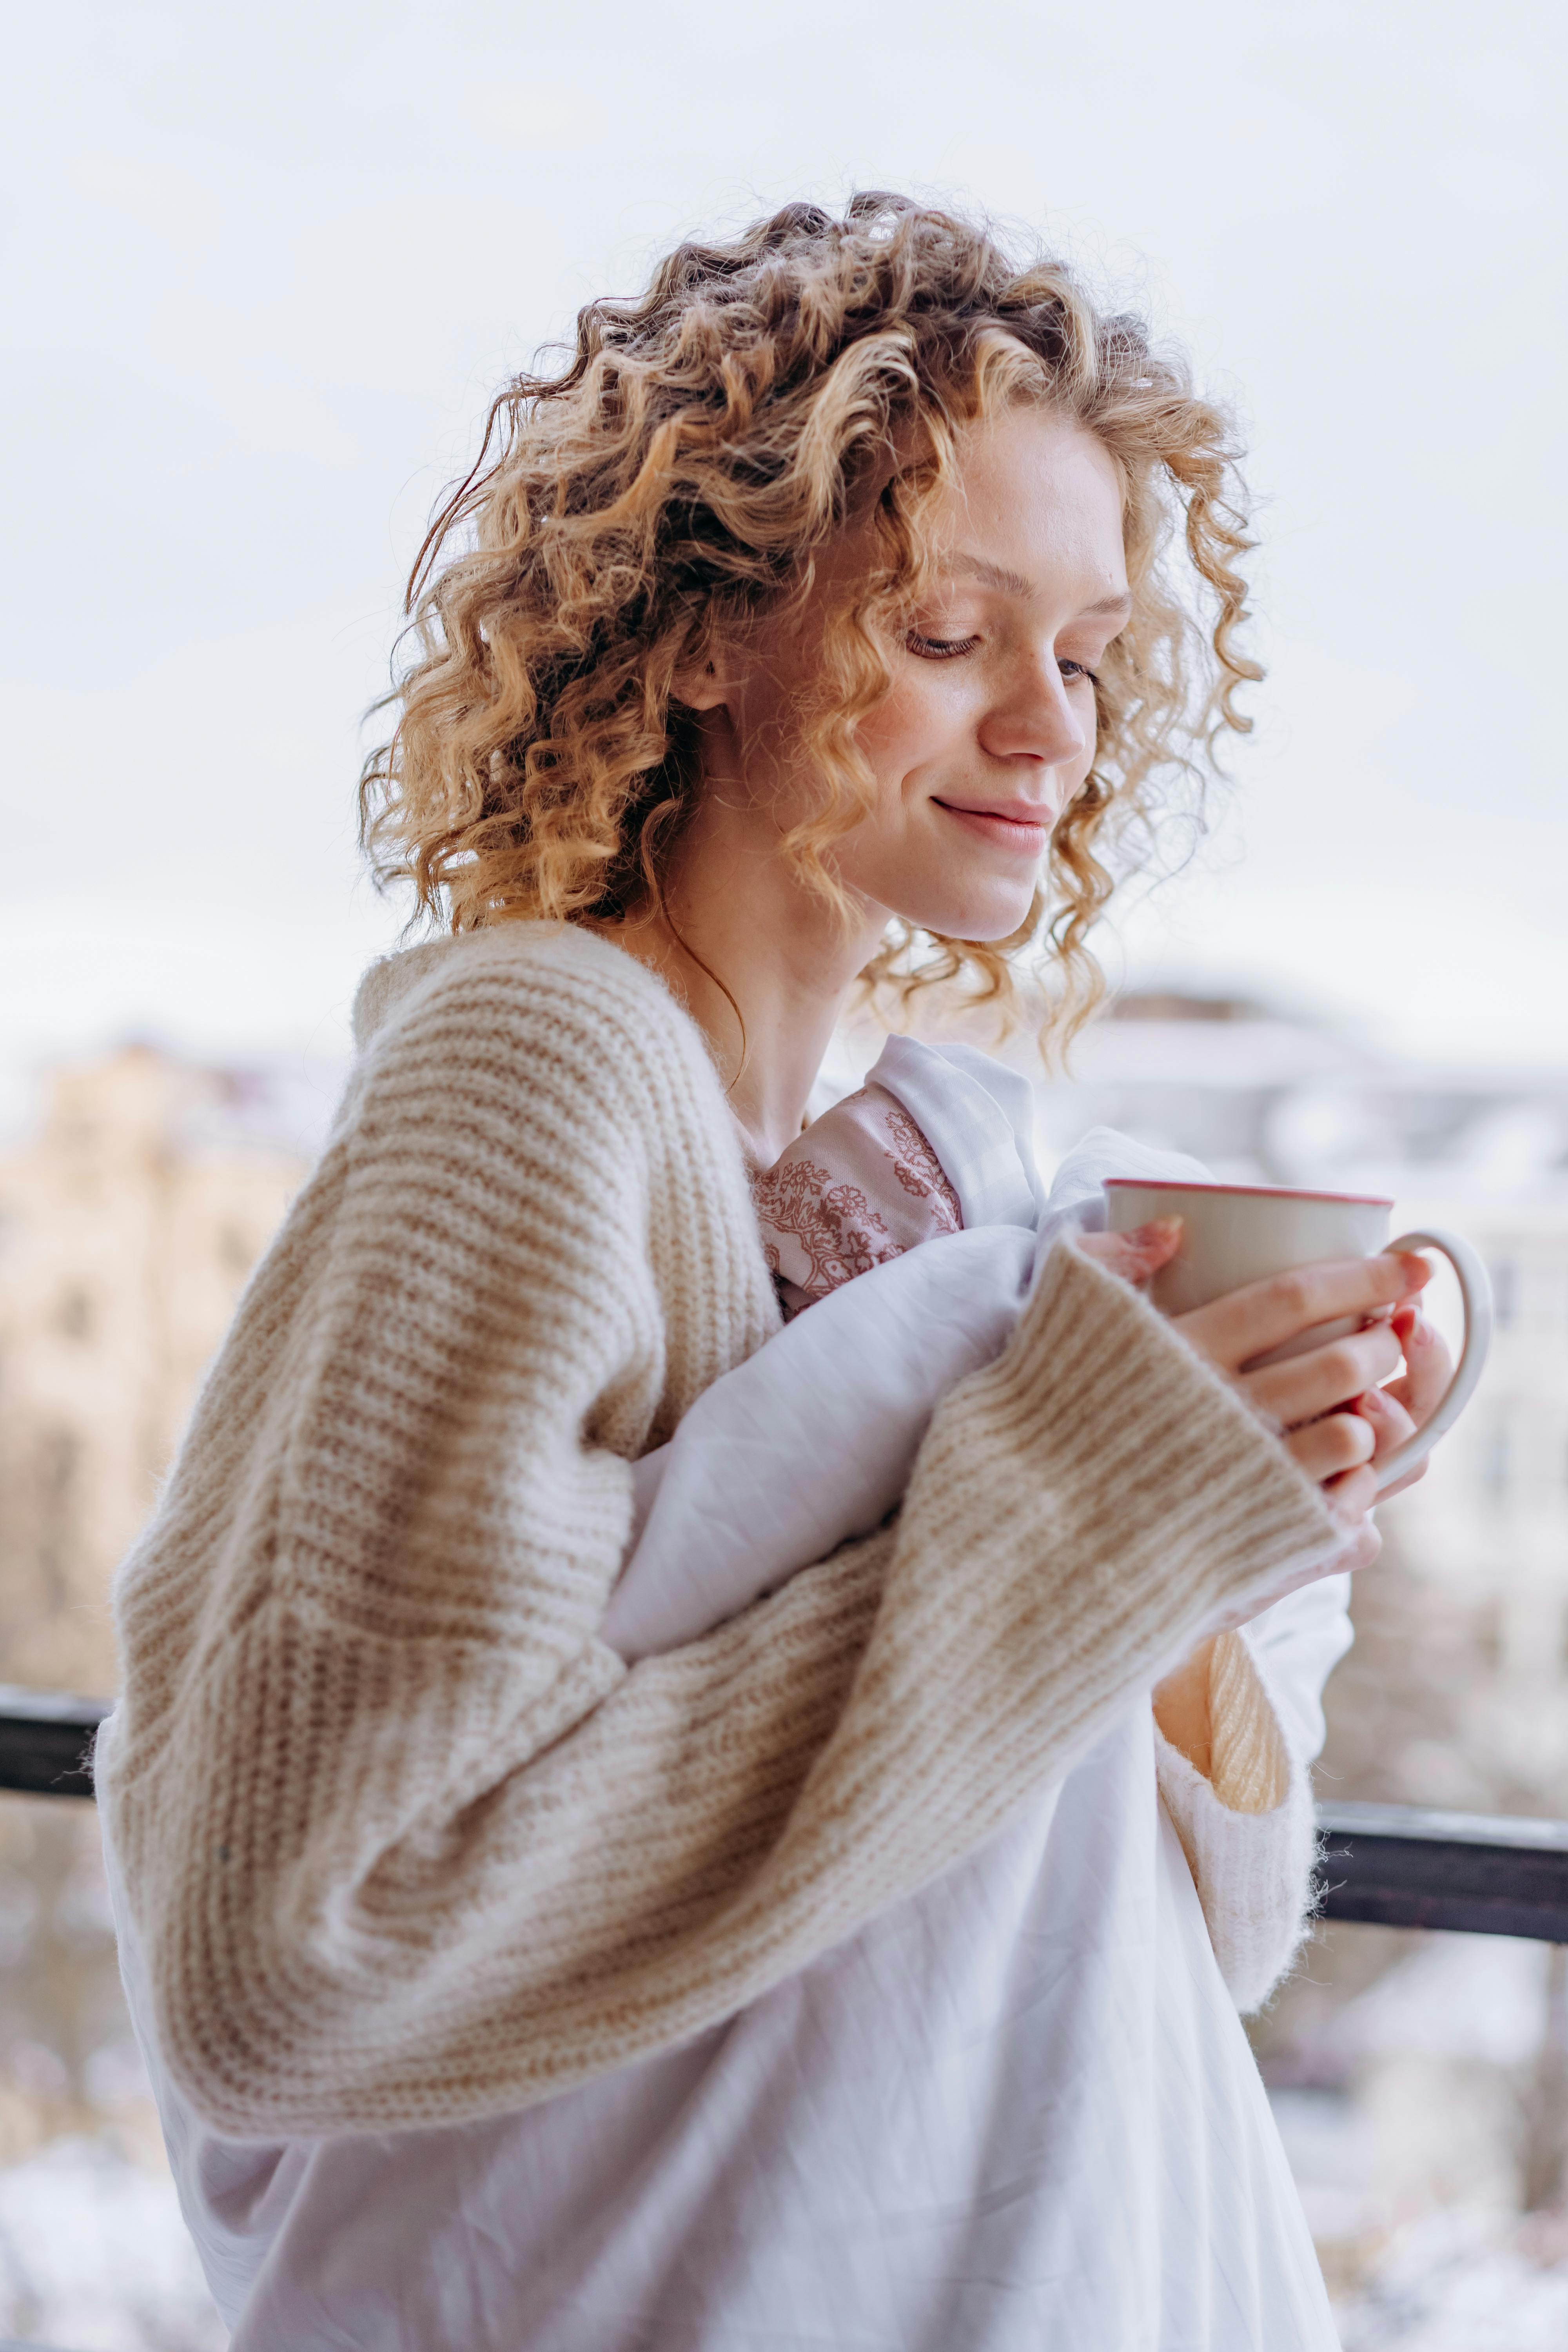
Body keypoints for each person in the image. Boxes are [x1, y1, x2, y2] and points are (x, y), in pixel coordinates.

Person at [95, 195, 1452, 2347]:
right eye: (948, 637)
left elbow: (1154, 1917)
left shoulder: (917, 1159)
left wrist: (1208, 1550)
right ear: (707, 630)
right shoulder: (545, 1068)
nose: (1052, 730)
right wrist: (1090, 1503)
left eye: (1086, 656)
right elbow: (293, 1951)